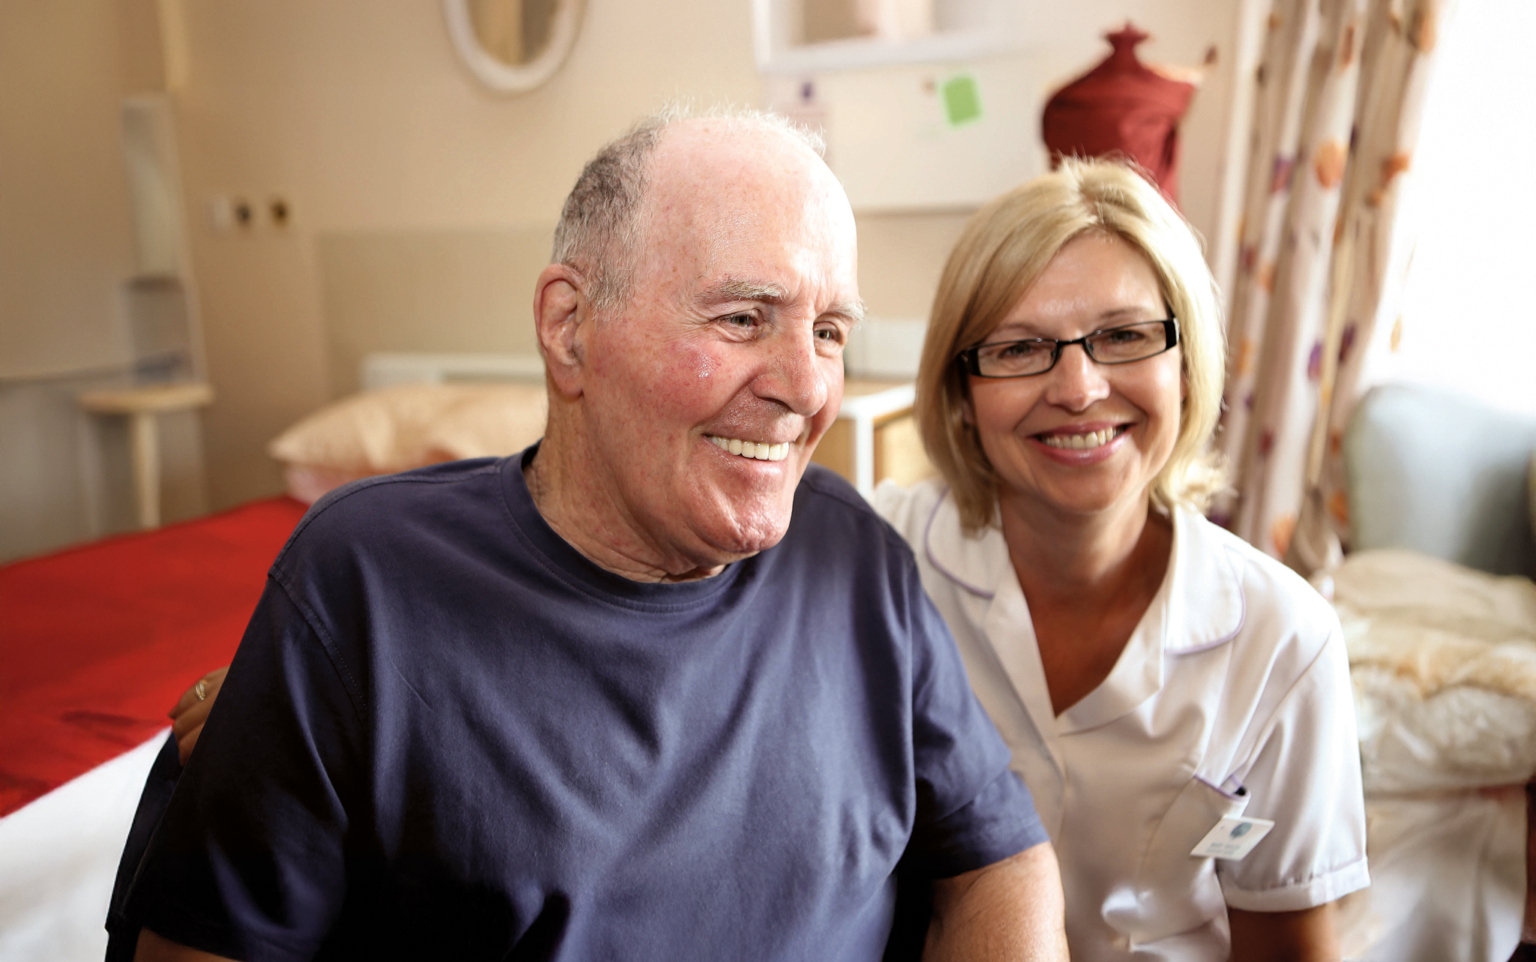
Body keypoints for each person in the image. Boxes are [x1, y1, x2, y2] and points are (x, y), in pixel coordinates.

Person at [115, 109, 1069, 962]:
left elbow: (1001, 862)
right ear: (570, 328)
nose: (809, 386)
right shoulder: (363, 586)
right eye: (743, 318)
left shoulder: (852, 554)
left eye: (828, 330)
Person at [873, 159, 1369, 961]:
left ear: (1185, 362)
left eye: (1125, 336)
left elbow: (1286, 946)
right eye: (1018, 347)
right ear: (960, 394)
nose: (1078, 387)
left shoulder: (1285, 641)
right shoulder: (877, 565)